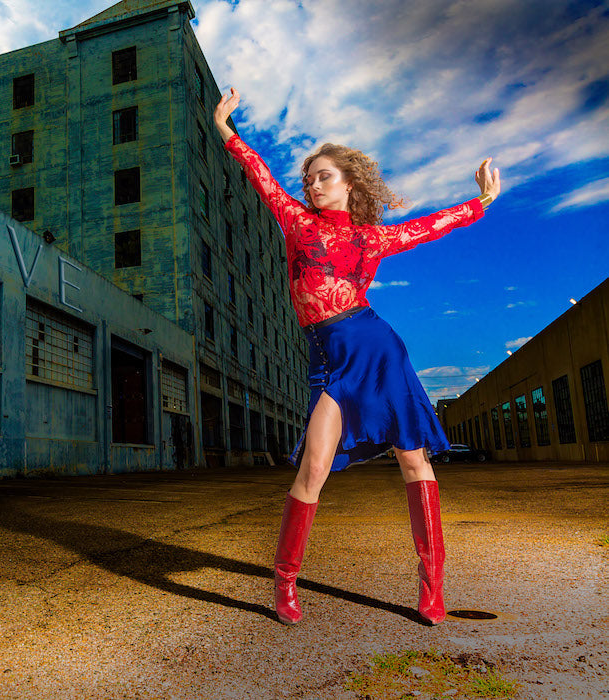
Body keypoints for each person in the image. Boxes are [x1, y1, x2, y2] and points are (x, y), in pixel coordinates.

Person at [212, 87, 501, 626]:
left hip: (375, 350)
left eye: (325, 176)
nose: (313, 184)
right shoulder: (296, 222)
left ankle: (431, 587)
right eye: (310, 178)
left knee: (413, 461)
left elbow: (430, 227)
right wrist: (226, 129)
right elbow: (260, 176)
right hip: (328, 362)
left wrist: (480, 203)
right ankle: (285, 583)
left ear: (348, 184)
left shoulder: (371, 238)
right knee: (312, 468)